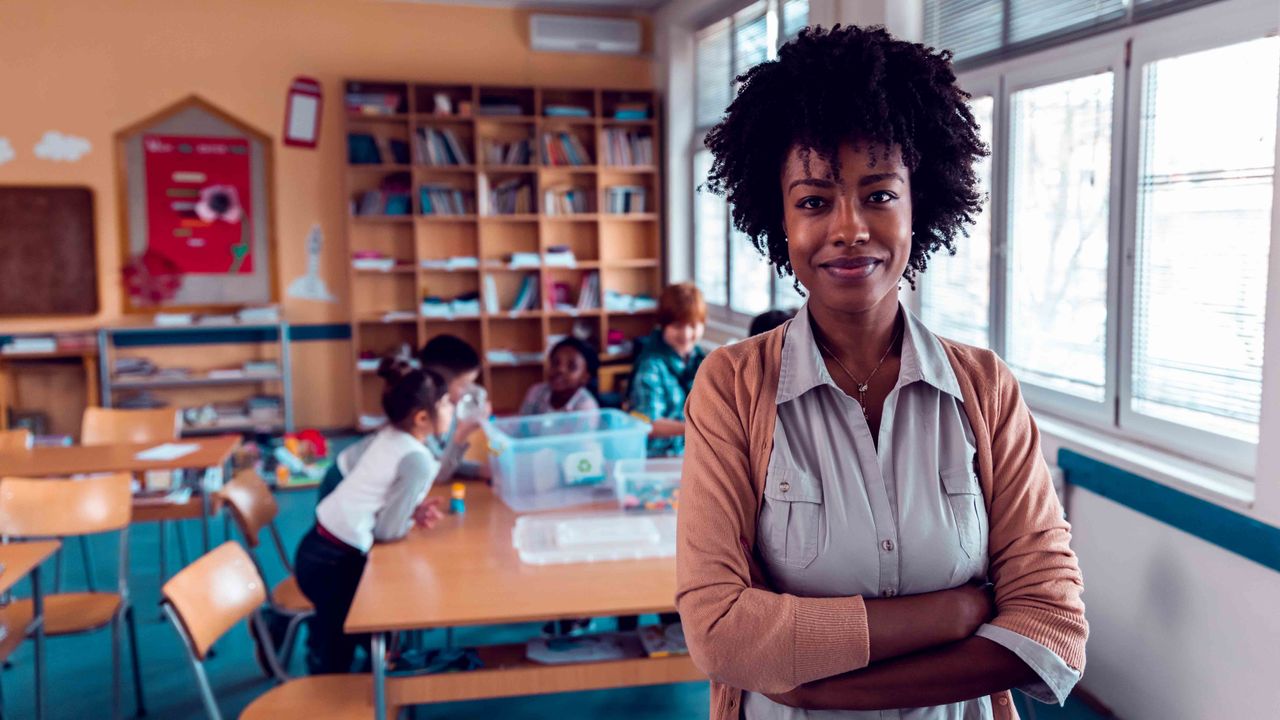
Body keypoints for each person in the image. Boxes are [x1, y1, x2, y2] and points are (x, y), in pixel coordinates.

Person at [676, 25, 1087, 720]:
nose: (849, 228)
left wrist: (819, 688)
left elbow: (1053, 626)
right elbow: (720, 633)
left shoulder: (985, 388)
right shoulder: (731, 385)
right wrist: (957, 612)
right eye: (813, 201)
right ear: (779, 219)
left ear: (918, 201)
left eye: (878, 194)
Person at [294, 355, 453, 674]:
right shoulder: (418, 460)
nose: (453, 409)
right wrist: (406, 518)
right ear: (422, 418)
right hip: (335, 565)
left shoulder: (392, 436)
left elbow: (379, 495)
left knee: (349, 633)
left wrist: (409, 511)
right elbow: (387, 531)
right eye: (447, 402)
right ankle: (332, 694)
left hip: (316, 548)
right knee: (343, 651)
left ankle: (322, 642)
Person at [318, 334, 490, 501]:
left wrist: (477, 470)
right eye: (464, 384)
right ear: (439, 382)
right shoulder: (418, 417)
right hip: (343, 480)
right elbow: (437, 474)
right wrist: (461, 435)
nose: (470, 390)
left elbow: (438, 458)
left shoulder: (444, 410)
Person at [628, 282, 707, 457]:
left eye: (693, 326)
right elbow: (649, 424)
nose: (686, 335)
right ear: (663, 325)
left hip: (692, 454)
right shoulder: (650, 365)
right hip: (659, 457)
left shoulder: (700, 359)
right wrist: (700, 430)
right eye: (677, 326)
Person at [519, 337, 600, 415]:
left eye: (572, 367)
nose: (560, 370)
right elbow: (522, 425)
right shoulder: (536, 392)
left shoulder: (586, 407)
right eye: (555, 363)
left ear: (585, 377)